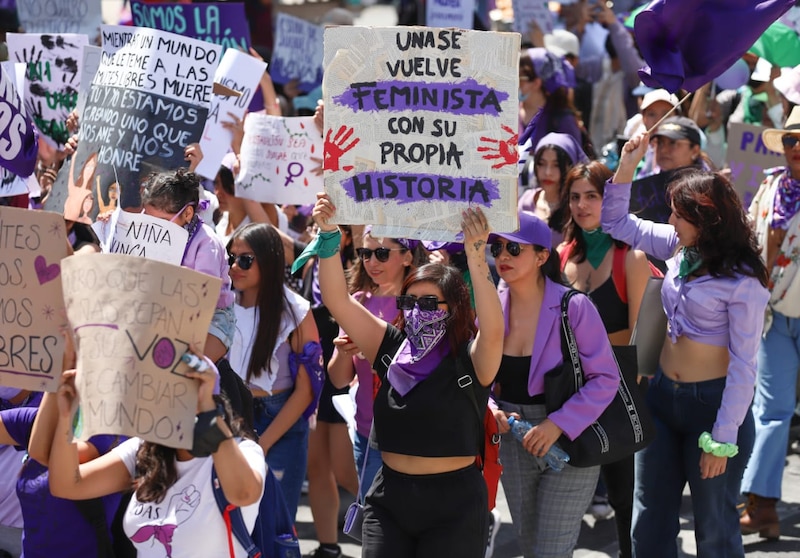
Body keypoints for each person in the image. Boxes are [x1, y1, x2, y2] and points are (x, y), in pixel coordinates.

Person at [602, 132, 770, 557]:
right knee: (650, 523)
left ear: (708, 220)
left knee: (714, 530)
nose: (671, 221)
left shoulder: (744, 281)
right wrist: (627, 165)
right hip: (661, 399)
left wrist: (722, 438)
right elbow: (617, 223)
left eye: (679, 215)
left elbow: (745, 366)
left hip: (713, 410)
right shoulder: (679, 245)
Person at [309, 194, 504, 557]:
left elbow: (494, 331)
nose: (416, 313)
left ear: (454, 308)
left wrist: (477, 255)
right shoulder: (390, 347)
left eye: (429, 304)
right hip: (389, 502)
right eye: (409, 303)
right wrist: (329, 236)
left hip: (455, 506)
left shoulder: (471, 359)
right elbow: (337, 300)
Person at [490, 211, 619, 558]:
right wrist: (492, 411)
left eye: (514, 249)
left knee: (551, 550)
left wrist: (557, 424)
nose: (502, 256)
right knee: (531, 546)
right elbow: (478, 376)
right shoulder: (490, 308)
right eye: (497, 247)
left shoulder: (575, 306)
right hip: (512, 436)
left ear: (542, 255)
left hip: (573, 437)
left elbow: (606, 378)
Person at [47, 358, 265, 558]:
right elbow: (67, 484)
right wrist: (66, 417)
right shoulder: (143, 451)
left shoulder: (242, 452)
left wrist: (207, 412)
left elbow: (243, 494)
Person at [557, 162, 652, 557]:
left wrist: (625, 397)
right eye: (575, 197)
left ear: (608, 199)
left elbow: (644, 341)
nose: (582, 205)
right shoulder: (561, 256)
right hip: (570, 388)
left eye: (592, 195)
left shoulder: (632, 256)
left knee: (623, 495)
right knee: (563, 496)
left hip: (620, 389)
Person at [227, 223, 323, 521]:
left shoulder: (296, 310)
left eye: (245, 259)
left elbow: (306, 391)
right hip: (229, 418)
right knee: (233, 522)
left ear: (268, 260)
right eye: (231, 258)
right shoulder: (220, 303)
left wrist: (262, 443)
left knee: (275, 524)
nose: (235, 266)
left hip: (278, 425)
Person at [740, 106, 800, 538]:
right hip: (773, 315)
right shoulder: (767, 188)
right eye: (792, 140)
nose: (796, 148)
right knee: (773, 410)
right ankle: (761, 505)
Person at [327, 230, 420, 503]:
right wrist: (345, 351)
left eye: (381, 253)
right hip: (367, 435)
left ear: (407, 257)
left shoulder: (422, 303)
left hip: (413, 437)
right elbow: (338, 379)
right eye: (365, 254)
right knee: (375, 530)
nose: (371, 262)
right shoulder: (357, 302)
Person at [140, 168, 234, 364]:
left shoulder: (207, 243)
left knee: (189, 368)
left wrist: (172, 277)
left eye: (164, 222)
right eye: (149, 219)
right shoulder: (147, 232)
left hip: (213, 318)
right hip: (165, 312)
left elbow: (204, 294)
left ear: (188, 213)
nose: (155, 228)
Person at [518, 132, 589, 246]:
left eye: (556, 165)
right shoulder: (527, 200)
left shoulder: (577, 207)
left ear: (571, 167)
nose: (548, 172)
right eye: (541, 164)